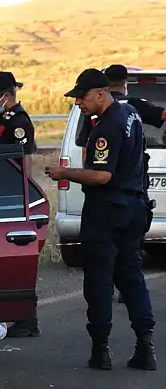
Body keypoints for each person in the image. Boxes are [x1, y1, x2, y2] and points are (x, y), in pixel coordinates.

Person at [44, 68, 157, 371]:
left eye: (82, 97)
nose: (78, 102)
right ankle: (145, 346)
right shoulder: (130, 114)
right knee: (131, 275)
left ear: (100, 93)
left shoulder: (106, 127)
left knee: (99, 278)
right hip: (134, 207)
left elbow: (102, 175)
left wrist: (64, 172)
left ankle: (101, 349)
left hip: (108, 211)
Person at [76, 65, 165, 304]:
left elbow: (86, 150)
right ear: (125, 83)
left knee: (100, 262)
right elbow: (162, 116)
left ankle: (105, 302)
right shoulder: (134, 106)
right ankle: (127, 292)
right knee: (130, 255)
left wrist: (85, 174)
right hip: (134, 189)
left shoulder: (96, 113)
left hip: (103, 195)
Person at [0, 71, 40, 337]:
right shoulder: (0, 117)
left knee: (16, 260)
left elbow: (23, 163)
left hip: (10, 197)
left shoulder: (19, 122)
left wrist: (21, 199)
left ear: (5, 96)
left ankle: (28, 320)